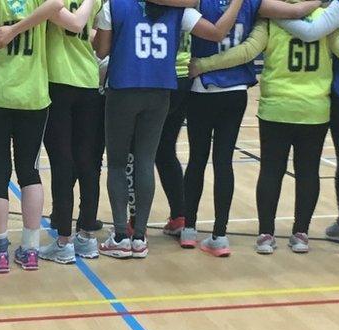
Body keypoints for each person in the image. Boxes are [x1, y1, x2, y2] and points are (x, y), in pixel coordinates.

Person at [190, 2, 339, 255]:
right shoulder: (325, 17)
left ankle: (266, 235)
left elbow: (246, 51)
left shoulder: (270, 17)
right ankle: (301, 235)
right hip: (314, 107)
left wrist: (204, 64)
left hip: (277, 105)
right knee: (308, 172)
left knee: (270, 171)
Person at [93, 0, 259, 258]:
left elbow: (101, 51)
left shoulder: (113, 6)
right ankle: (139, 238)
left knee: (117, 163)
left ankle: (119, 236)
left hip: (124, 89)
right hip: (161, 90)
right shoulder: (180, 10)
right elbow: (216, 33)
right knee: (147, 160)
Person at [178, 0, 323, 257]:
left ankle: (188, 229)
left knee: (197, 160)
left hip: (202, 87)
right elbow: (296, 11)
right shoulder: (251, 3)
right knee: (223, 162)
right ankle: (220, 235)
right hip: (234, 91)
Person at [0, 0, 64, 273]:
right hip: (33, 97)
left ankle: (0, 251)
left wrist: (12, 30)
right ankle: (30, 249)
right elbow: (56, 5)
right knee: (30, 171)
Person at [38, 0, 106, 264]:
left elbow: (78, 24)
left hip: (59, 82)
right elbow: (91, 33)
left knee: (64, 163)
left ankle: (65, 240)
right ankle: (86, 236)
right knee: (87, 162)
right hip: (88, 81)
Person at [157, 28, 192, 237]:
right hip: (183, 77)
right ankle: (179, 216)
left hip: (159, 77)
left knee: (136, 153)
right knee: (165, 150)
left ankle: (133, 224)